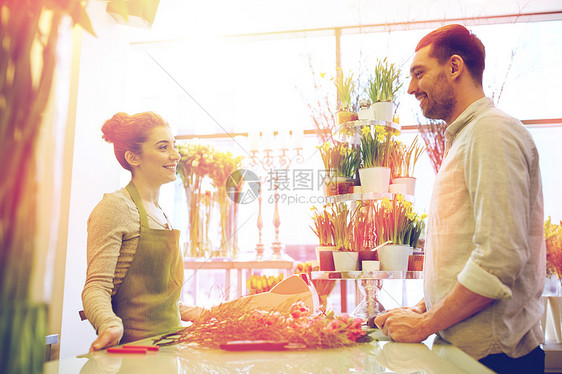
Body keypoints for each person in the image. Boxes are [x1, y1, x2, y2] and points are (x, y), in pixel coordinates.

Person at [375, 24, 545, 373]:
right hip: (466, 354)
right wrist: (422, 308)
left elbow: (498, 261)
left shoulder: (491, 132)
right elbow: (463, 258)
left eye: (419, 73)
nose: (410, 88)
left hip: (495, 360)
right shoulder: (466, 138)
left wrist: (423, 326)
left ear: (454, 68)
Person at [82, 112, 204, 352]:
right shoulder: (116, 207)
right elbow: (96, 286)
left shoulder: (161, 213)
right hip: (135, 354)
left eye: (174, 145)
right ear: (133, 157)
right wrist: (109, 325)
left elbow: (157, 300)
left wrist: (196, 313)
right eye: (163, 147)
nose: (176, 155)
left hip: (170, 350)